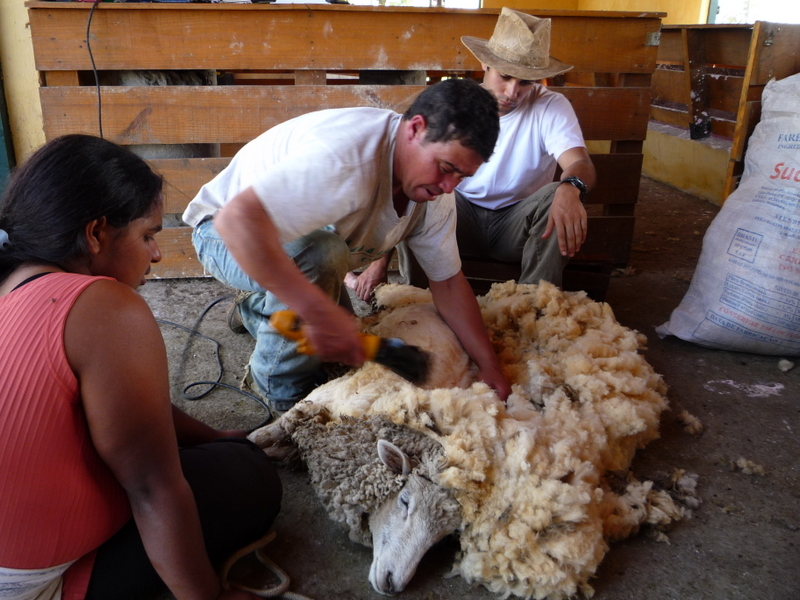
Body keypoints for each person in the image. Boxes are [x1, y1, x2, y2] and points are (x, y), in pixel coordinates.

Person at [0, 134, 282, 600]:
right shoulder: (105, 308)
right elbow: (153, 489)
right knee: (248, 476)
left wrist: (210, 436)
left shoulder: (11, 280)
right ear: (96, 234)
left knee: (208, 454)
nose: (155, 254)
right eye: (147, 235)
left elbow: (129, 407)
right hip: (33, 588)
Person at [182, 78, 512, 414]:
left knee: (337, 338)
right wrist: (317, 311)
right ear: (416, 128)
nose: (448, 186)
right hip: (223, 232)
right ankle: (281, 390)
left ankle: (255, 308)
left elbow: (448, 283)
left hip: (298, 247)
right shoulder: (347, 158)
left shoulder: (435, 195)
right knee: (322, 259)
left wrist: (489, 365)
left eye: (461, 177)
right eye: (446, 168)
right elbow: (236, 221)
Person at [345, 8, 597, 300]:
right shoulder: (458, 105)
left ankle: (535, 307)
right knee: (420, 193)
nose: (513, 91)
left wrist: (572, 187)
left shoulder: (551, 106)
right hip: (455, 219)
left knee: (560, 194)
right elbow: (406, 178)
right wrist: (379, 263)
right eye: (506, 76)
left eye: (526, 82)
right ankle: (417, 301)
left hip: (514, 225)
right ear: (485, 64)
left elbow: (579, 162)